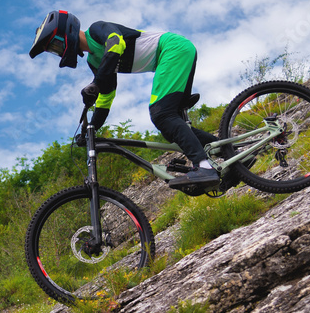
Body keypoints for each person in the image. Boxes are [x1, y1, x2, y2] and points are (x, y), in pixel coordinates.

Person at [28, 10, 219, 188]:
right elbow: (106, 96)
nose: (57, 51)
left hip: (172, 49)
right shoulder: (94, 61)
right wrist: (91, 129)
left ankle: (204, 167)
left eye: (55, 45)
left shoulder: (96, 30)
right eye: (52, 50)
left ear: (66, 32)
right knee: (172, 131)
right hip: (173, 55)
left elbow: (116, 43)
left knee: (162, 114)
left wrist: (96, 82)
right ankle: (227, 152)